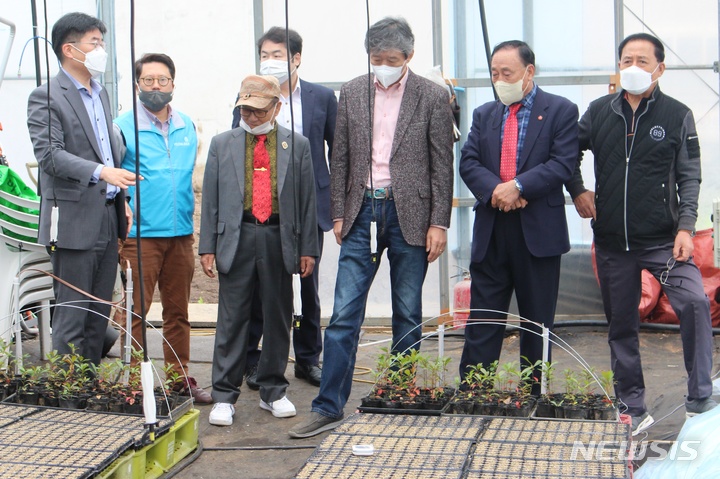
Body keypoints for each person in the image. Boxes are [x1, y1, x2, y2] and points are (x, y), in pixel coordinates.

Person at [289, 17, 454, 438]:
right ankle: (328, 405)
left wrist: (439, 222)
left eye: (391, 59)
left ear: (408, 57)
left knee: (406, 311)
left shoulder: (432, 96)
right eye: (376, 58)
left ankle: (399, 397)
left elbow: (441, 164)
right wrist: (341, 212)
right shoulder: (354, 90)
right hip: (362, 210)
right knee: (344, 313)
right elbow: (340, 154)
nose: (383, 65)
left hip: (409, 214)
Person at [566, 32, 716, 435]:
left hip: (664, 242)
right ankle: (632, 405)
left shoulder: (676, 114)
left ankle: (700, 394)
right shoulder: (599, 111)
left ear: (660, 68)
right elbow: (568, 152)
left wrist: (686, 227)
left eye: (642, 61)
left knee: (695, 303)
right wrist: (578, 189)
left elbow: (689, 175)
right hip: (613, 243)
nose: (633, 67)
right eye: (626, 60)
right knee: (621, 326)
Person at [457, 40, 579, 393]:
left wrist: (520, 186)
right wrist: (498, 190)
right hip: (493, 229)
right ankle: (474, 392)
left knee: (536, 320)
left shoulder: (560, 110)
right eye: (494, 74)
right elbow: (469, 161)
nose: (500, 80)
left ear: (529, 72)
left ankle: (533, 393)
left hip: (537, 232)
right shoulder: (485, 114)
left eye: (506, 73)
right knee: (484, 318)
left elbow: (561, 163)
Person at [200, 75, 318, 426]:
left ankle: (273, 390)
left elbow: (308, 202)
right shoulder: (223, 144)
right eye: (245, 110)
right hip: (237, 237)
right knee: (232, 318)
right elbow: (211, 199)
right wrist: (207, 246)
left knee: (279, 316)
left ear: (276, 108)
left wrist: (307, 248)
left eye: (257, 111)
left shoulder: (297, 145)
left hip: (279, 237)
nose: (250, 117)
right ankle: (224, 395)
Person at [26, 12, 136, 365]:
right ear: (70, 49)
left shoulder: (100, 95)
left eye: (102, 43)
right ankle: (67, 396)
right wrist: (101, 172)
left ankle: (87, 388)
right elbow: (50, 157)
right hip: (72, 220)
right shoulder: (46, 96)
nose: (101, 50)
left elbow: (107, 150)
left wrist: (122, 197)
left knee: (98, 313)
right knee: (72, 313)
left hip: (107, 215)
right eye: (95, 43)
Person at [231, 27, 337, 389]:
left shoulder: (321, 97)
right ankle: (253, 361)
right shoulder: (249, 96)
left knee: (309, 289)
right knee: (261, 289)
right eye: (265, 54)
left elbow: (337, 153)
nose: (270, 61)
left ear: (296, 58)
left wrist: (335, 207)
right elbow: (237, 150)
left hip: (308, 209)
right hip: (264, 211)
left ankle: (308, 359)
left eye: (278, 54)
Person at [114, 53, 211, 403]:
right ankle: (136, 383)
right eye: (148, 80)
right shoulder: (122, 126)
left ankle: (178, 378)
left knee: (178, 312)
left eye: (163, 80)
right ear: (137, 84)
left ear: (173, 83)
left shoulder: (186, 125)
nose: (156, 86)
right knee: (136, 312)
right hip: (140, 237)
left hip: (180, 234)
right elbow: (110, 176)